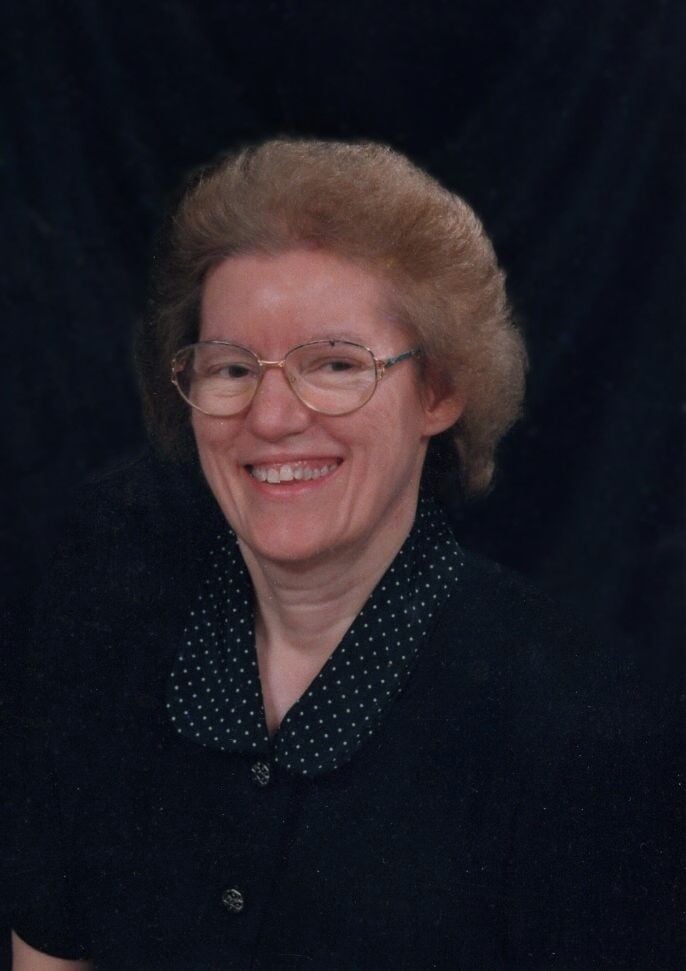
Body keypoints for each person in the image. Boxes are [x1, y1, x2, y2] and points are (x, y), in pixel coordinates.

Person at [11, 139, 642, 968]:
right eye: (231, 368)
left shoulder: (578, 726)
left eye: (336, 363)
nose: (271, 417)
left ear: (440, 391)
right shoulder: (107, 638)